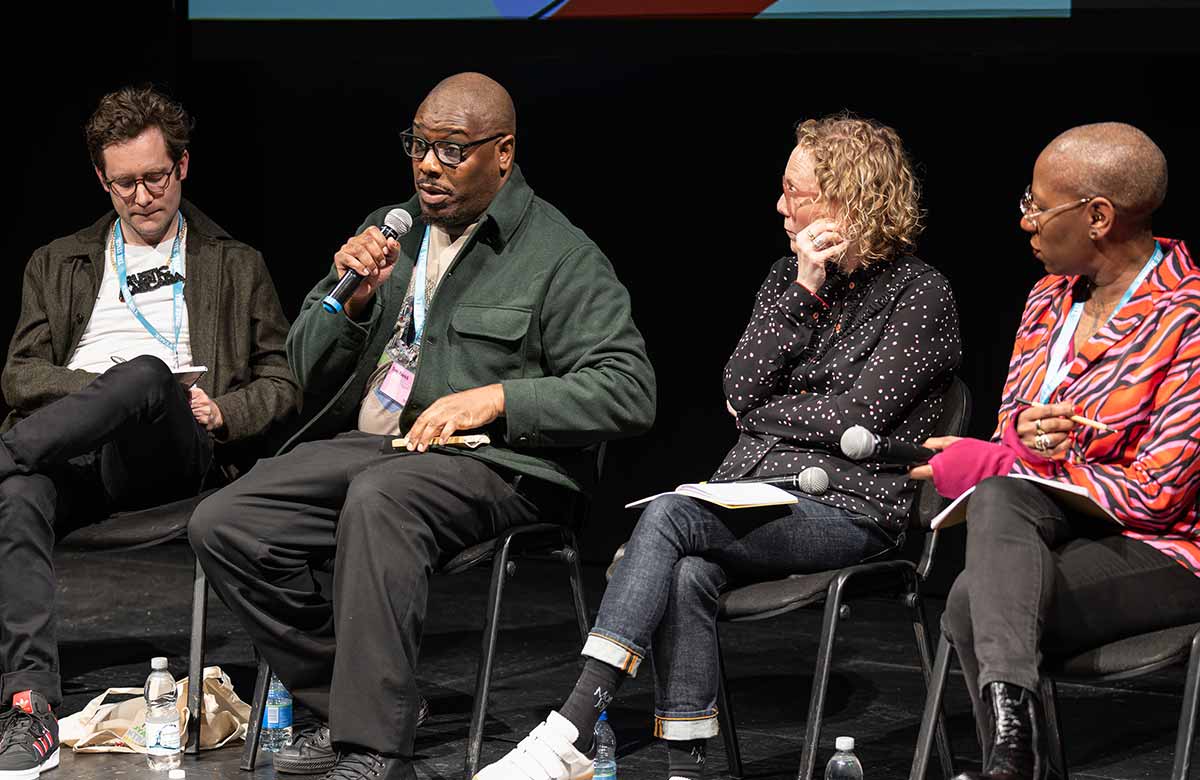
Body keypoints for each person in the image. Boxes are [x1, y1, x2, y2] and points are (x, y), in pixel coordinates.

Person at [188, 72, 656, 780]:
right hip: (388, 447)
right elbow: (302, 369)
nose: (429, 166)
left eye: (453, 150)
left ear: (503, 152)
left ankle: (371, 746)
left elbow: (629, 389)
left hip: (503, 467)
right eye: (419, 146)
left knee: (382, 499)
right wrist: (346, 304)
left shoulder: (559, 255)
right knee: (226, 520)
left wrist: (498, 398)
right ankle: (368, 699)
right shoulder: (392, 231)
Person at [476, 115, 962, 780]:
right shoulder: (788, 279)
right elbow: (736, 386)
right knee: (685, 573)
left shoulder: (920, 293)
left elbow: (856, 419)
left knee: (673, 512)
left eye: (798, 193)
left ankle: (569, 729)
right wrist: (804, 291)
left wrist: (765, 412)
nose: (781, 206)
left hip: (851, 508)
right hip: (760, 495)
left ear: (850, 199)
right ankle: (686, 771)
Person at [0, 85, 300, 778]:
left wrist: (222, 411)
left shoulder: (235, 262)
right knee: (17, 495)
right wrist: (101, 393)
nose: (141, 196)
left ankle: (16, 451)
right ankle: (29, 707)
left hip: (167, 449)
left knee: (145, 374)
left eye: (155, 177)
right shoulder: (59, 261)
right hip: (66, 455)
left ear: (184, 167)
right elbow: (20, 376)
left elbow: (281, 383)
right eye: (124, 183)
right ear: (101, 181)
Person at [910, 123, 1200, 780]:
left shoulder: (1188, 317)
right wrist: (1017, 449)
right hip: (1052, 528)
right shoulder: (1046, 301)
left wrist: (1026, 459)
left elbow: (1159, 494)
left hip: (1169, 552)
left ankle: (1012, 759)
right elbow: (1015, 436)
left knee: (969, 593)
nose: (1027, 222)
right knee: (997, 511)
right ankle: (1014, 755)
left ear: (1098, 216)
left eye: (1039, 206)